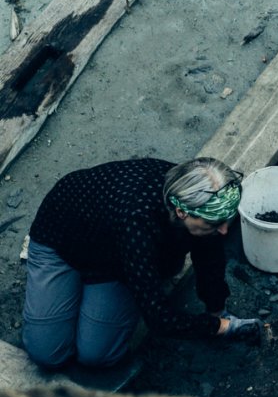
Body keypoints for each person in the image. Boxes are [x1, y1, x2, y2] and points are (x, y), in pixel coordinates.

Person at [22, 156, 263, 371]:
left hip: (114, 263)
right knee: (48, 353)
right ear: (182, 213)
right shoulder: (137, 222)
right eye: (214, 223)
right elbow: (159, 319)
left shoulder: (201, 200)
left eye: (226, 221)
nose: (224, 230)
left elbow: (210, 259)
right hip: (62, 243)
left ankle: (93, 293)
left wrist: (217, 309)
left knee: (97, 355)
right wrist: (219, 327)